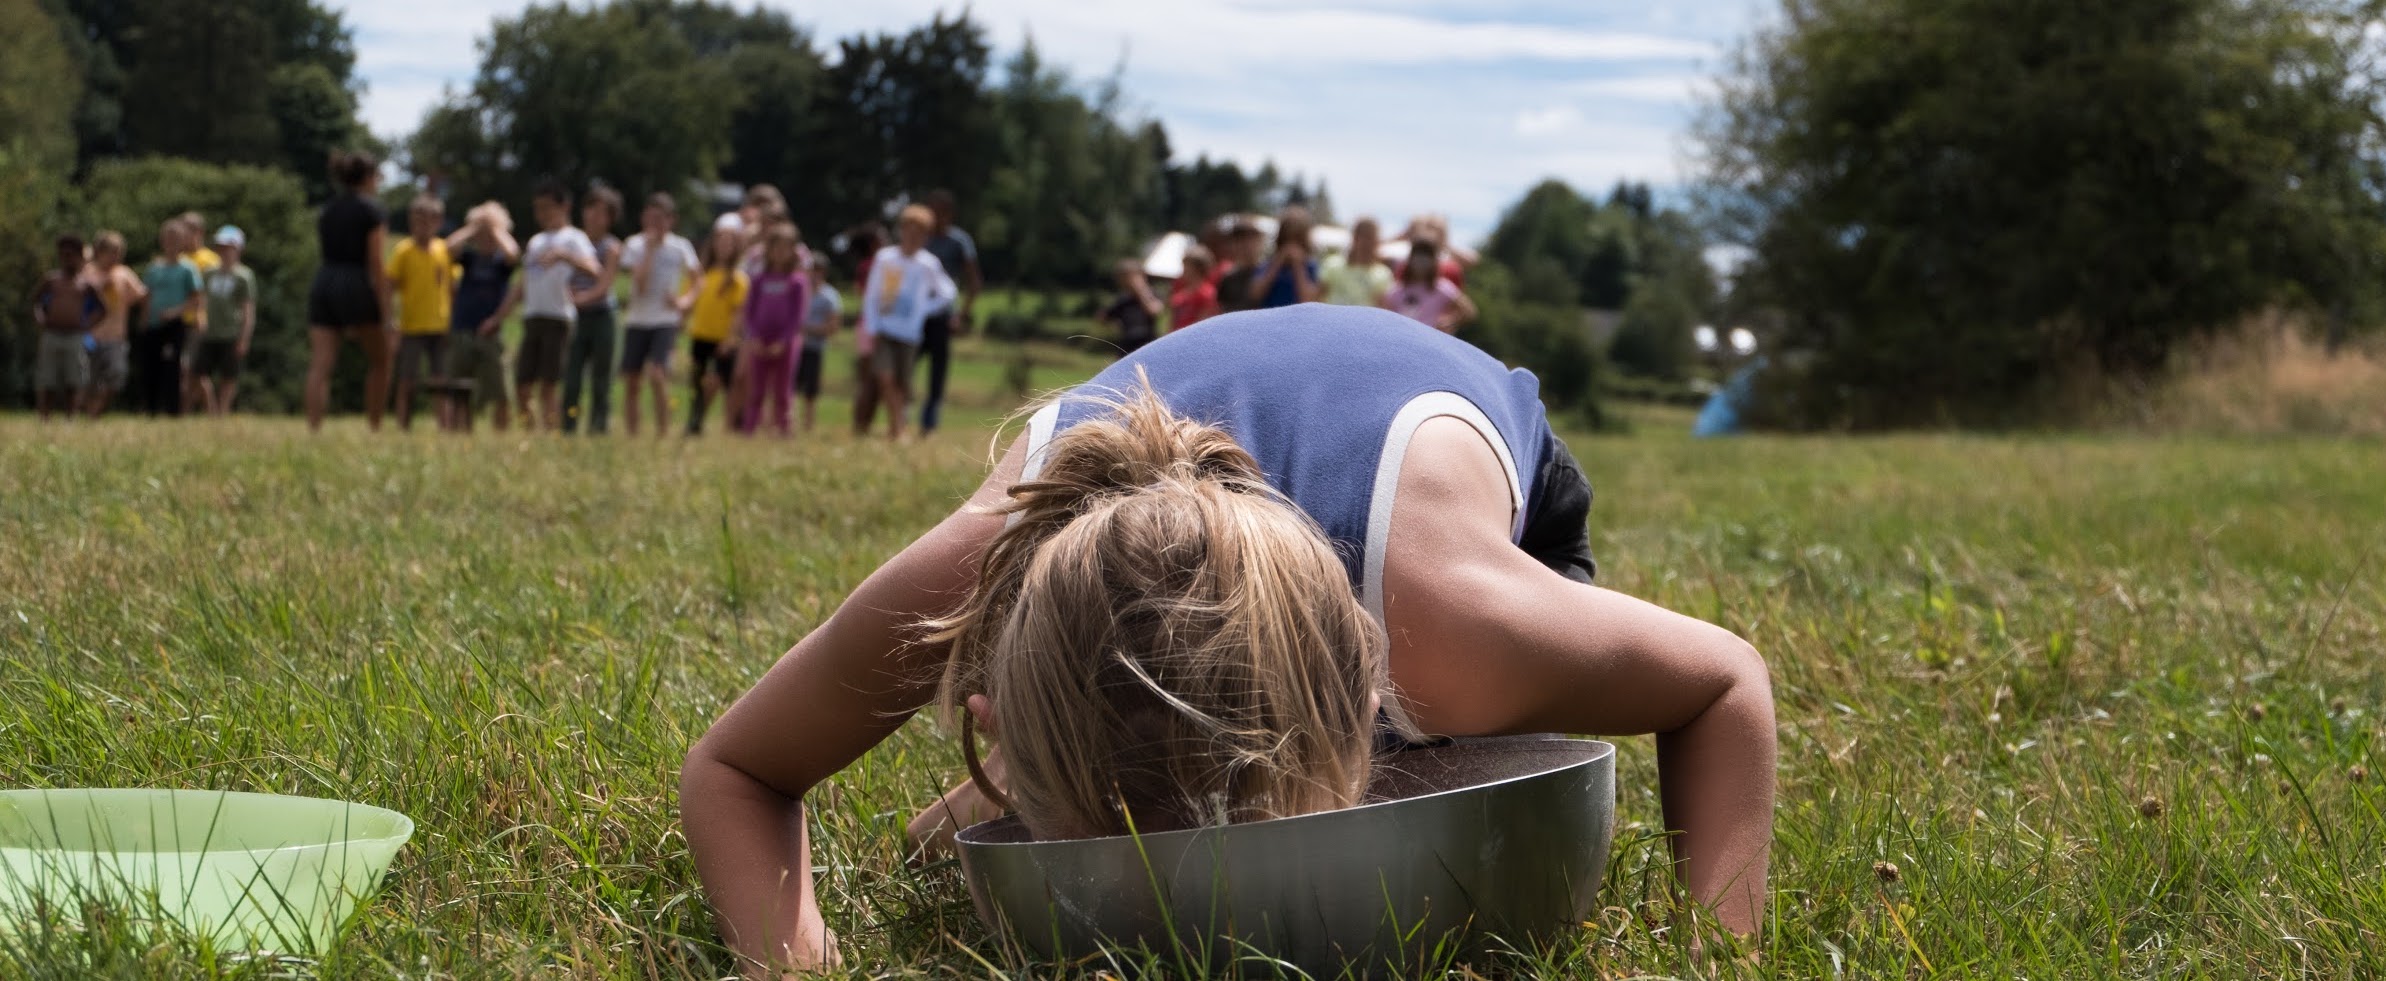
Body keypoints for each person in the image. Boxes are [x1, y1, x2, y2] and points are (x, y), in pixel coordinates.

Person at [678, 306, 1778, 975]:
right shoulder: (969, 579)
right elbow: (736, 768)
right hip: (1181, 484)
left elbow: (1724, 683)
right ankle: (1013, 798)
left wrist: (1714, 956)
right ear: (990, 703)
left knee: (1441, 760)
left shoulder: (1449, 637)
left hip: (1432, 435)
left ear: (1366, 695)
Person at [492, 179, 600, 433]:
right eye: (538, 208)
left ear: (564, 207)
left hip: (558, 317)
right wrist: (499, 316)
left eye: (547, 207)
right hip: (532, 316)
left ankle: (550, 433)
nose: (541, 214)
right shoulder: (536, 241)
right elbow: (523, 284)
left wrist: (564, 256)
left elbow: (594, 270)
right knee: (523, 382)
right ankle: (530, 433)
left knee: (549, 384)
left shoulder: (575, 238)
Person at [306, 150, 393, 433]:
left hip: (325, 280)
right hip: (356, 282)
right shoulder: (372, 211)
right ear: (368, 178)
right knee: (381, 359)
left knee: (321, 364)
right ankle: (374, 427)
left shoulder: (327, 210)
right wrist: (386, 311)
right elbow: (376, 262)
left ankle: (314, 429)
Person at [856, 204, 953, 443]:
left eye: (918, 232)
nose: (912, 236)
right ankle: (897, 427)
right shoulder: (885, 258)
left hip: (909, 333)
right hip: (885, 329)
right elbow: (872, 294)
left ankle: (896, 427)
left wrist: (924, 309)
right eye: (908, 230)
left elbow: (947, 293)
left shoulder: (928, 264)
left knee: (901, 383)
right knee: (885, 377)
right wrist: (872, 324)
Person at [619, 192, 700, 439]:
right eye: (649, 217)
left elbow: (699, 279)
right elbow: (640, 284)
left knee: (657, 374)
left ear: (670, 220)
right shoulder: (634, 245)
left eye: (659, 218)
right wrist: (649, 251)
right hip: (637, 319)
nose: (653, 223)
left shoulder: (681, 247)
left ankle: (662, 432)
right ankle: (633, 435)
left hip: (665, 320)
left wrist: (685, 302)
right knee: (632, 380)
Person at [444, 202, 520, 433]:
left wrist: (495, 228)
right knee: (459, 388)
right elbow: (448, 247)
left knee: (500, 391)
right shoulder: (468, 258)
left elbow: (513, 253)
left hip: (491, 332)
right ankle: (460, 433)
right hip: (463, 328)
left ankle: (501, 435)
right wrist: (473, 228)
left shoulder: (501, 264)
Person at [916, 189, 982, 436]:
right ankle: (899, 413)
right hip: (916, 316)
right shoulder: (922, 239)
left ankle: (929, 423)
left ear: (948, 214)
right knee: (905, 367)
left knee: (937, 373)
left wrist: (961, 315)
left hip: (943, 315)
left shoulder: (959, 242)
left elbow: (974, 282)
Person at [561, 186, 625, 436]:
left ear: (611, 218)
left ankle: (598, 428)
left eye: (602, 212)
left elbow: (604, 284)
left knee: (601, 377)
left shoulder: (611, 247)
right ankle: (567, 428)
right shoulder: (574, 242)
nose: (594, 216)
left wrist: (580, 299)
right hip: (577, 317)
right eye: (591, 209)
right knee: (572, 376)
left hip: (601, 317)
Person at [386, 196, 454, 431]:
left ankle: (444, 427)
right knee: (406, 380)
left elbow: (452, 287)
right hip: (411, 326)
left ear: (438, 222)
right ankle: (402, 426)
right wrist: (390, 320)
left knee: (441, 381)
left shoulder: (444, 250)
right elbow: (389, 287)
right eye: (416, 222)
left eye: (427, 221)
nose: (421, 227)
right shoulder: (403, 251)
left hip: (440, 325)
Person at [738, 224, 811, 438]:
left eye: (785, 248)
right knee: (757, 389)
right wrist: (753, 337)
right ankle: (749, 430)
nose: (780, 252)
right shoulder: (759, 280)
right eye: (776, 247)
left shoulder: (797, 282)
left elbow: (798, 316)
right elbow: (749, 312)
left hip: (785, 344)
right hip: (759, 341)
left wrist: (785, 340)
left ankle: (784, 430)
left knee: (782, 390)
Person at [134, 218, 204, 417]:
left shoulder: (188, 268)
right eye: (168, 238)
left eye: (176, 238)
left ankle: (173, 410)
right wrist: (144, 321)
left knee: (173, 367)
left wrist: (175, 312)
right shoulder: (154, 268)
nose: (171, 242)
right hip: (152, 325)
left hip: (175, 325)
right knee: (150, 366)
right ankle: (150, 408)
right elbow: (147, 297)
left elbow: (196, 299)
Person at [684, 227, 749, 436]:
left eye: (729, 243)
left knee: (723, 383)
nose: (723, 246)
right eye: (720, 241)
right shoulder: (701, 275)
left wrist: (731, 338)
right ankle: (695, 422)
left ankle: (733, 425)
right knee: (697, 384)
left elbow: (739, 312)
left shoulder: (738, 279)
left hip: (723, 339)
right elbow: (689, 301)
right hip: (700, 335)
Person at [30, 234, 102, 421]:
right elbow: (35, 302)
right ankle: (45, 416)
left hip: (75, 336)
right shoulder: (51, 280)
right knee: (48, 378)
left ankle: (70, 416)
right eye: (64, 255)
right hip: (52, 334)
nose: (68, 260)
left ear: (80, 257)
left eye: (72, 255)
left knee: (74, 378)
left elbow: (102, 309)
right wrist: (40, 318)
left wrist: (87, 325)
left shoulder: (86, 285)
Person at [190, 226, 257, 416]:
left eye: (228, 247)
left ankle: (223, 411)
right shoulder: (209, 273)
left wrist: (244, 337)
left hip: (231, 332)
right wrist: (199, 318)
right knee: (198, 373)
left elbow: (248, 309)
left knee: (229, 376)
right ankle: (210, 409)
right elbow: (201, 301)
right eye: (221, 247)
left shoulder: (244, 277)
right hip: (209, 332)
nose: (224, 251)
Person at [81, 231, 144, 418]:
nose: (116, 257)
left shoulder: (124, 274)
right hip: (89, 336)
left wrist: (144, 319)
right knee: (87, 380)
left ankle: (95, 412)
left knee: (117, 377)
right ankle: (87, 416)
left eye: (119, 252)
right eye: (112, 252)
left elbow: (142, 296)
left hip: (116, 336)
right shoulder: (87, 273)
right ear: (99, 252)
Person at [844, 222, 887, 437]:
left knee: (870, 381)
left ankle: (862, 425)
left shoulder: (867, 266)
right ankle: (860, 425)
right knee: (870, 381)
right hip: (872, 328)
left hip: (867, 327)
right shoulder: (874, 266)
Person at [1382, 240, 1477, 334]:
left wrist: (1450, 321)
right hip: (1402, 337)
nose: (1421, 259)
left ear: (1434, 261)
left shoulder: (1442, 287)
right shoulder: (1397, 289)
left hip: (1429, 341)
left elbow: (1469, 311)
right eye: (1418, 254)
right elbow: (1385, 314)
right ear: (1410, 259)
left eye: (1427, 255)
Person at [796, 255, 840, 434]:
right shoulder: (799, 291)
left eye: (818, 271)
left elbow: (833, 326)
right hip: (797, 347)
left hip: (815, 348)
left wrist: (808, 329)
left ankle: (808, 424)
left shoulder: (830, 296)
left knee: (810, 391)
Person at [1246, 206, 1320, 309]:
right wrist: (1278, 262)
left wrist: (1298, 266)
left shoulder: (1310, 266)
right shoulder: (1267, 264)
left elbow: (1308, 299)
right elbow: (1255, 295)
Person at [1094, 259, 1163, 356]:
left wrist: (1140, 291)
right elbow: (1102, 318)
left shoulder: (1151, 294)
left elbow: (1154, 311)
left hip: (1147, 342)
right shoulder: (1123, 299)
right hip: (1127, 344)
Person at [1319, 216, 1392, 307]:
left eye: (1371, 237)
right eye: (1363, 236)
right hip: (1332, 320)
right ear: (1354, 238)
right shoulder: (1333, 264)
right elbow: (1318, 296)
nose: (1367, 242)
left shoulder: (1382, 274)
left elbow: (1383, 308)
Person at [1213, 219, 1267, 315]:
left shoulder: (1268, 273)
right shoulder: (1228, 278)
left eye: (1251, 239)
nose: (1246, 245)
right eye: (1240, 240)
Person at [1167, 244, 1221, 331]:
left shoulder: (1207, 293)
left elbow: (1203, 323)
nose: (1184, 270)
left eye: (1187, 266)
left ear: (1198, 268)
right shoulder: (1181, 293)